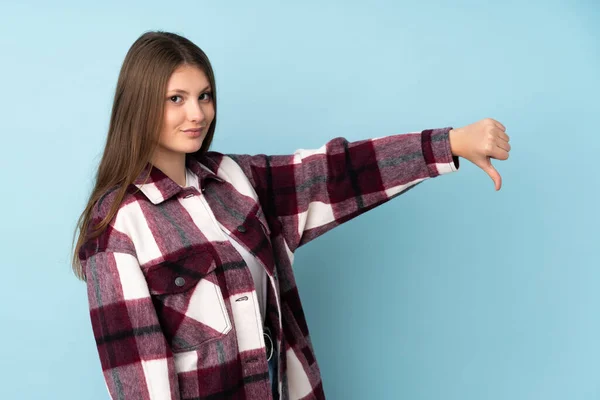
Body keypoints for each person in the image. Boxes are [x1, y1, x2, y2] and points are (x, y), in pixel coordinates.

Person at [71, 30, 511, 400]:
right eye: (176, 99)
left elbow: (333, 172)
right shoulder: (115, 229)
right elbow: (140, 384)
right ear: (140, 105)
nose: (197, 113)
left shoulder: (235, 180)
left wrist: (448, 143)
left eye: (204, 96)